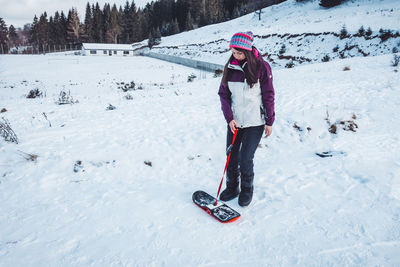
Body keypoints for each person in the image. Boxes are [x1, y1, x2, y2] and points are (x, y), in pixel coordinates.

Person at [218, 31, 275, 207]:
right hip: (235, 121)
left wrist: (270, 120)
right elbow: (223, 94)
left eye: (239, 53)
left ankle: (247, 189)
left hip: (254, 122)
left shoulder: (261, 67)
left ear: (248, 51)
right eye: (233, 52)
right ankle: (232, 187)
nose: (236, 56)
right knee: (231, 155)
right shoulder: (230, 67)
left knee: (245, 158)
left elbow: (268, 94)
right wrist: (229, 118)